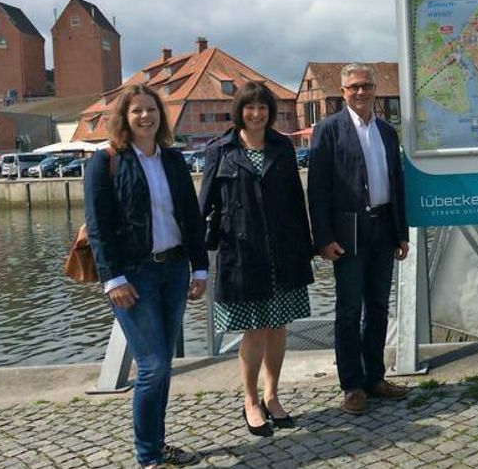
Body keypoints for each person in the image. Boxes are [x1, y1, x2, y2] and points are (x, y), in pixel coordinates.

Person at [84, 84, 207, 469]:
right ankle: (148, 456)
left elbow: (191, 217)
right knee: (153, 366)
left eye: (151, 109)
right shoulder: (106, 162)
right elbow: (98, 227)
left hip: (174, 270)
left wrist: (200, 267)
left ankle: (157, 444)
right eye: (136, 110)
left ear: (160, 115)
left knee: (162, 365)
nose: (145, 116)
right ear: (124, 117)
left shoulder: (173, 159)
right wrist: (113, 279)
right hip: (134, 278)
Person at [199, 81, 314, 437]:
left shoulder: (282, 146)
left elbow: (295, 199)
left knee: (278, 326)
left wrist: (306, 246)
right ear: (240, 111)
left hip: (282, 250)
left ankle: (272, 395)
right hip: (242, 252)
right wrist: (195, 256)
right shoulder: (221, 150)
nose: (256, 113)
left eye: (262, 107)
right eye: (250, 107)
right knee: (255, 328)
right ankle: (250, 400)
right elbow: (205, 204)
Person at [307, 62, 410, 415]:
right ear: (343, 92)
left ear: (375, 89)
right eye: (354, 87)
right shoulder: (328, 130)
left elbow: (396, 184)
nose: (361, 92)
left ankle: (375, 377)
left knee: (379, 307)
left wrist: (401, 233)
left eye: (366, 85)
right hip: (348, 231)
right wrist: (323, 238)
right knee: (349, 310)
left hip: (383, 228)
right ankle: (352, 385)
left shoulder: (387, 131)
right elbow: (317, 188)